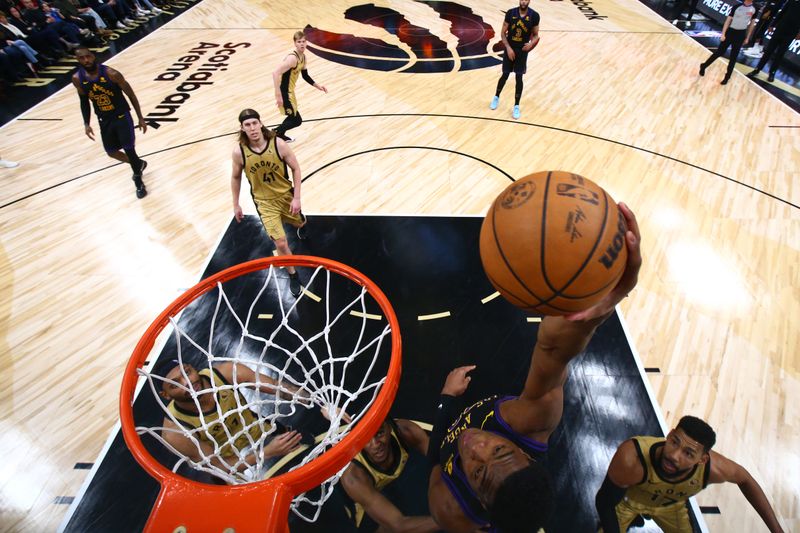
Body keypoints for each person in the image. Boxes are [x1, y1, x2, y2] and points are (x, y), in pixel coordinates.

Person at [426, 203, 642, 533]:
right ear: (525, 453)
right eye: (499, 450)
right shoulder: (534, 416)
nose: (475, 446)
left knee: (410, 432)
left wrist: (445, 403)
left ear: (481, 502)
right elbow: (554, 348)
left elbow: (435, 460)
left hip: (452, 425)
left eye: (478, 472)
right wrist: (603, 298)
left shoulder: (450, 509)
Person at [595, 415, 785, 533]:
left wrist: (777, 530)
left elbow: (745, 479)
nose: (674, 455)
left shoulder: (713, 469)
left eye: (688, 453)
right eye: (674, 442)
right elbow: (604, 502)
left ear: (702, 460)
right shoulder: (632, 457)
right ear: (669, 435)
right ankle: (633, 517)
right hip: (628, 502)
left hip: (670, 507)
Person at [158, 361, 304, 479]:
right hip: (222, 452)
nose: (187, 382)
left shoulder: (226, 373)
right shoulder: (175, 432)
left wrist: (313, 398)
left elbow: (279, 388)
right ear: (166, 395)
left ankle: (293, 438)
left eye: (187, 372)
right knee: (227, 480)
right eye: (175, 384)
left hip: (250, 424)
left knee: (280, 430)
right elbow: (218, 466)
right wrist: (268, 452)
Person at [230, 108, 307, 297]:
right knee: (281, 242)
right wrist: (236, 204)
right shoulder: (239, 152)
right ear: (242, 128)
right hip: (264, 203)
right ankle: (293, 275)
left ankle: (300, 223)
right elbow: (235, 177)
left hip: (286, 196)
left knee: (300, 222)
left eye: (255, 123)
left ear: (261, 123)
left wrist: (296, 197)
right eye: (247, 125)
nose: (252, 128)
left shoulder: (278, 144)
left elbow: (296, 169)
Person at [71, 47, 148, 198]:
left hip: (121, 117)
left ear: (93, 56)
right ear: (78, 60)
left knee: (129, 149)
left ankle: (138, 182)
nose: (86, 60)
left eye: (88, 57)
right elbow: (84, 102)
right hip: (104, 120)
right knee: (111, 152)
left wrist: (140, 117)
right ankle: (138, 164)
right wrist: (86, 123)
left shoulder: (111, 74)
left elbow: (131, 95)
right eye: (82, 58)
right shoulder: (77, 78)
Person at [340, 417, 438, 532]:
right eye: (366, 439)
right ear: (357, 440)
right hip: (371, 507)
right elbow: (399, 525)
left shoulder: (406, 430)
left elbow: (440, 463)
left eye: (380, 433)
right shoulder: (353, 476)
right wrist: (450, 519)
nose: (375, 444)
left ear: (389, 427)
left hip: (403, 482)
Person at [271, 30, 327, 143]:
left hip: (290, 92)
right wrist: (278, 95)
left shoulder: (304, 58)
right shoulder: (292, 58)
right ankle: (273, 133)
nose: (302, 44)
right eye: (299, 41)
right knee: (296, 120)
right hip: (284, 92)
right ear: (295, 43)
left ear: (306, 43)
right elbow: (275, 73)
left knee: (293, 117)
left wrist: (318, 86)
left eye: (304, 41)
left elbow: (305, 76)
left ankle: (279, 134)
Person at [489, 0, 540, 120]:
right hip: (510, 48)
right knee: (505, 74)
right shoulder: (511, 13)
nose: (523, 1)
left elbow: (536, 35)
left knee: (519, 77)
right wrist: (508, 48)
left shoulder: (534, 15)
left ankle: (516, 106)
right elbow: (502, 34)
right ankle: (496, 97)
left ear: (529, 1)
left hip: (522, 50)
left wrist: (530, 44)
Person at [699, 0, 756, 85]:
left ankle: (727, 77)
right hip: (731, 32)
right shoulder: (737, 7)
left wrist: (747, 37)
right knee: (719, 52)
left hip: (741, 34)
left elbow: (752, 24)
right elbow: (728, 20)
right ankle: (704, 66)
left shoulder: (754, 9)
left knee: (733, 57)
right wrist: (723, 34)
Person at [747, 0, 800, 82]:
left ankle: (772, 73)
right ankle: (757, 69)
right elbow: (782, 13)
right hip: (780, 29)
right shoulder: (791, 1)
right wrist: (772, 25)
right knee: (768, 50)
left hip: (791, 33)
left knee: (780, 54)